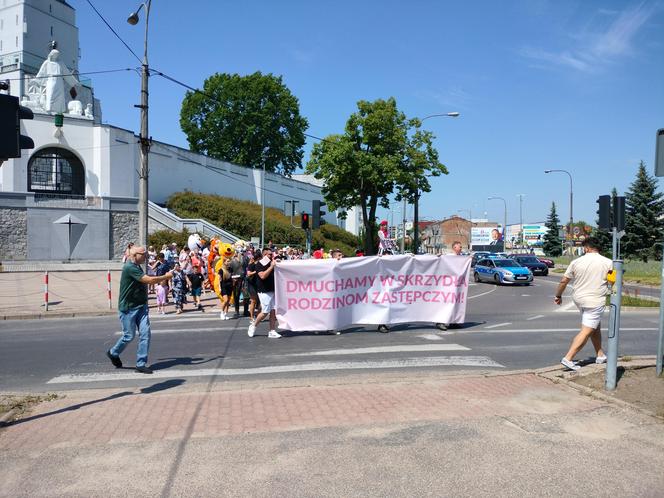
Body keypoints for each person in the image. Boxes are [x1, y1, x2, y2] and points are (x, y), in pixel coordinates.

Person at [106, 246, 172, 374]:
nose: (146, 257)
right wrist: (165, 276)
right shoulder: (129, 267)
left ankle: (141, 363)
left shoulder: (137, 266)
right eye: (144, 255)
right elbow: (149, 280)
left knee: (145, 334)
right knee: (129, 336)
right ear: (135, 255)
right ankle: (113, 352)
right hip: (128, 308)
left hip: (141, 307)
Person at [554, 237, 612, 371]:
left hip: (579, 299)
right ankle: (568, 358)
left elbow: (564, 281)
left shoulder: (576, 262)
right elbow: (612, 281)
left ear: (586, 248)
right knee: (586, 330)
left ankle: (600, 354)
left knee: (594, 325)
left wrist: (558, 295)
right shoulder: (608, 263)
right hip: (594, 300)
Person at [247, 247, 281, 338]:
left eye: (272, 254)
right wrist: (271, 267)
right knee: (265, 312)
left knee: (273, 311)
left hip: (273, 290)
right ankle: (253, 325)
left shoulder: (271, 262)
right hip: (264, 291)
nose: (272, 256)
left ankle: (272, 331)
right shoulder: (259, 264)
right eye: (270, 254)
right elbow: (262, 276)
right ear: (265, 254)